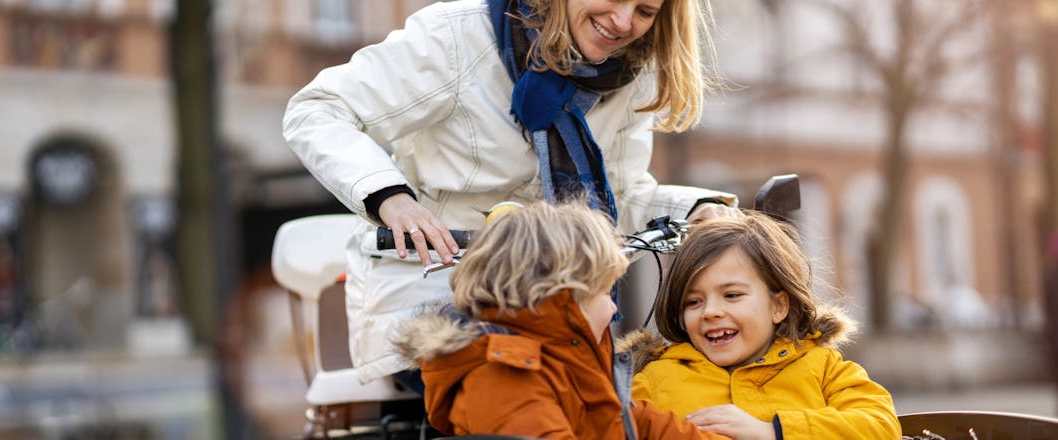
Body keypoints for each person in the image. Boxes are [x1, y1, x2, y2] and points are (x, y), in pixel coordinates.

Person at [283, 0, 739, 387]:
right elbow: (317, 110)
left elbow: (616, 199)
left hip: (560, 314)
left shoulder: (628, 73)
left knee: (659, 388)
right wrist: (391, 199)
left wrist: (696, 210)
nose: (623, 23)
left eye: (644, 11)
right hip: (438, 301)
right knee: (525, 387)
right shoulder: (459, 36)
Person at [393, 201, 729, 439]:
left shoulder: (566, 363)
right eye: (602, 293)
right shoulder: (506, 376)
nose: (613, 309)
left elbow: (640, 424)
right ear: (563, 294)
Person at [621, 213, 901, 439]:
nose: (710, 312)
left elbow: (880, 425)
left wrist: (773, 431)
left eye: (732, 295)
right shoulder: (656, 379)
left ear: (778, 306)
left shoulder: (823, 368)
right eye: (693, 302)